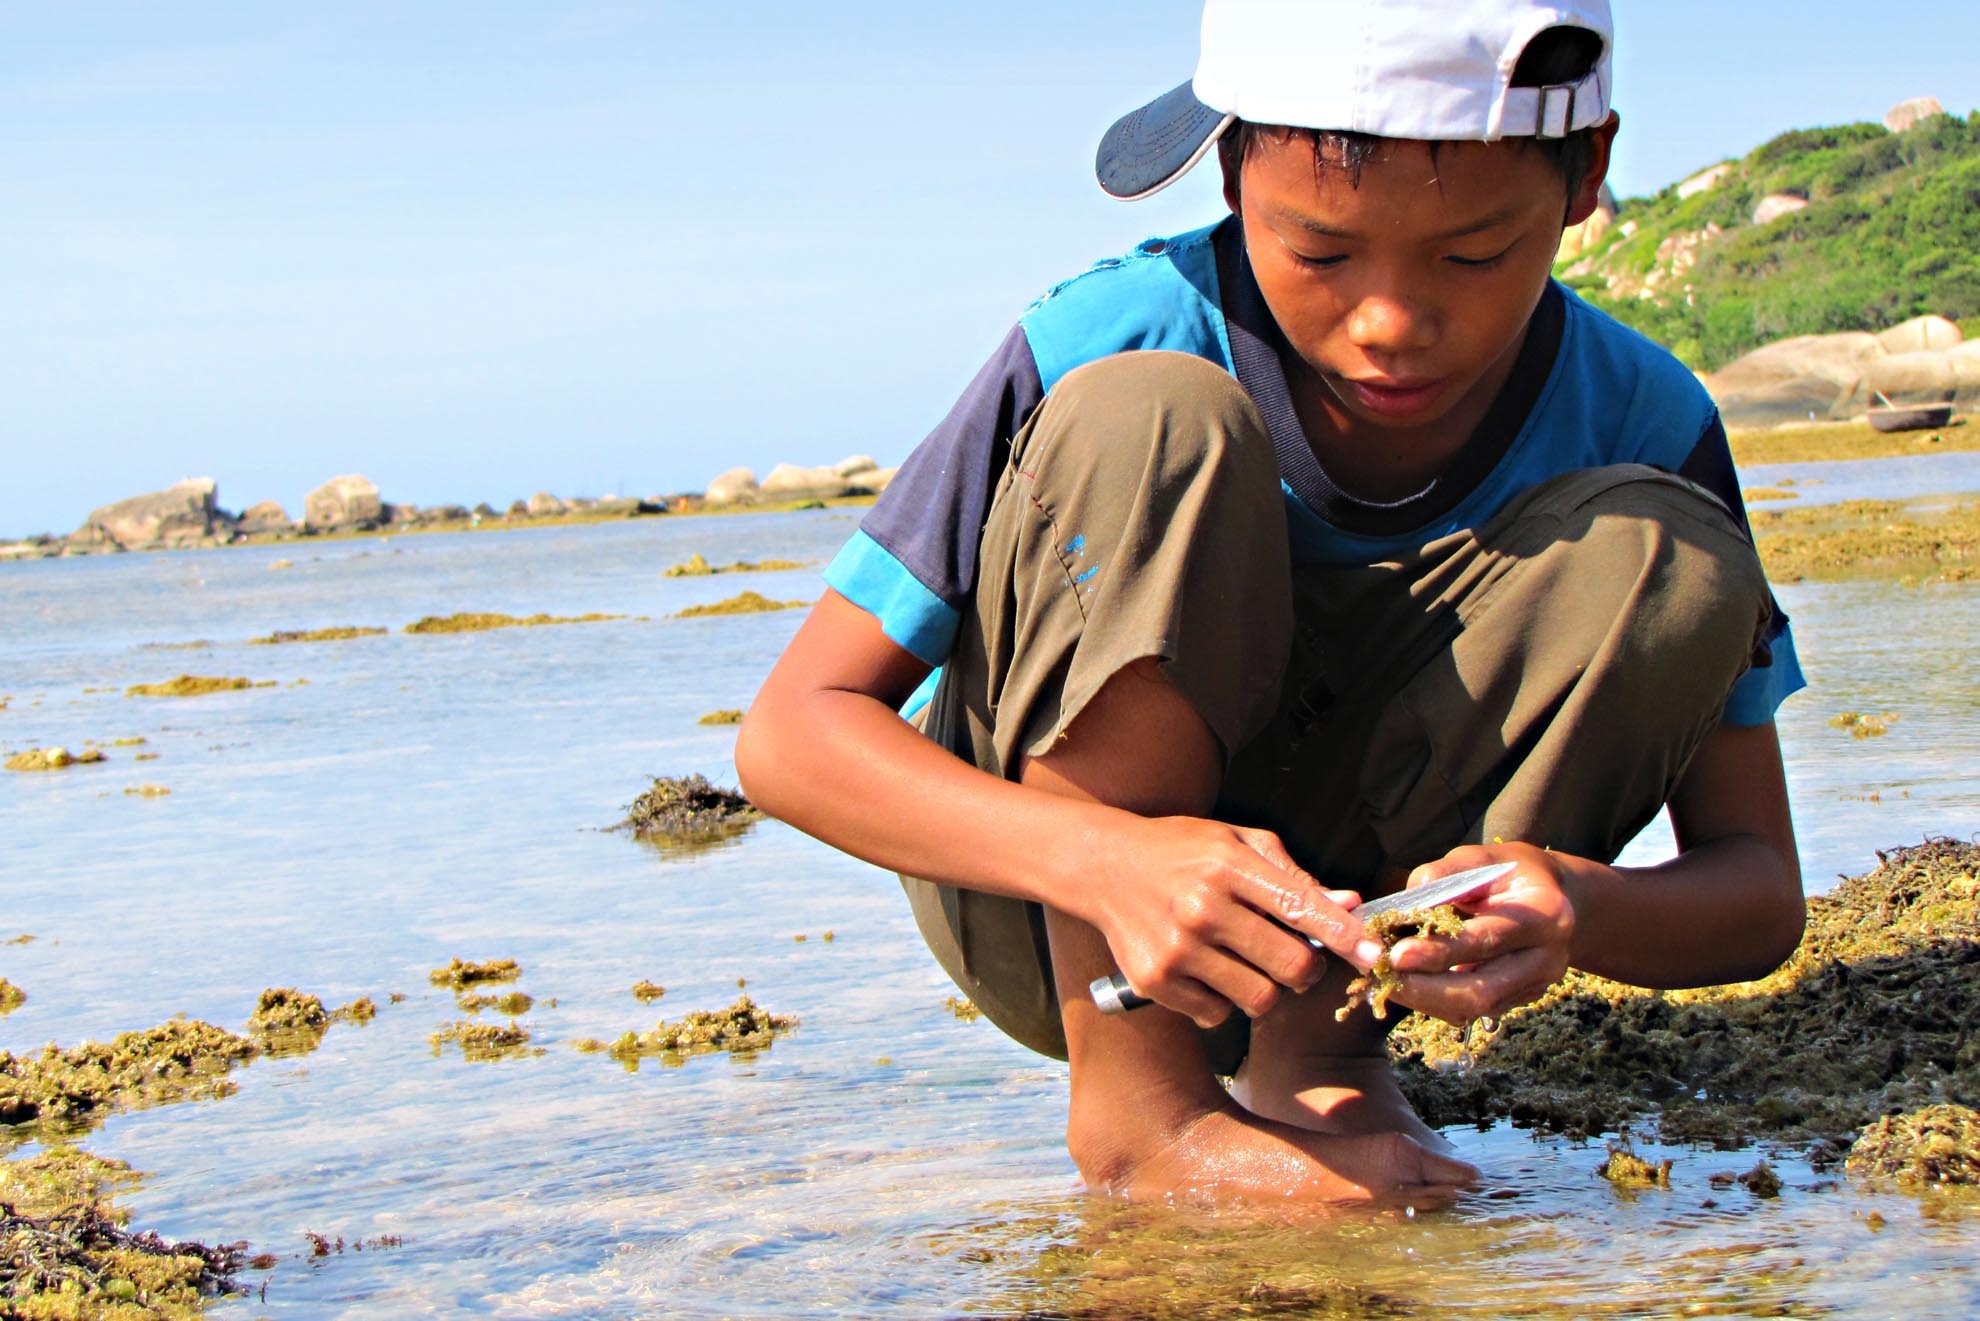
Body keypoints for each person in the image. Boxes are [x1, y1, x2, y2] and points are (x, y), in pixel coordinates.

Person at [737, 0, 1806, 1207]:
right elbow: (791, 736)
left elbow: (1759, 890)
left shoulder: (1645, 421)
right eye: (1320, 253)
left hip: (1363, 941)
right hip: (1054, 919)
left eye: (1473, 255)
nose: (1392, 324)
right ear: (1230, 168)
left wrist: (1580, 907)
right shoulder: (1108, 334)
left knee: (1666, 547)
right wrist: (1107, 859)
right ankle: (1143, 1110)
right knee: (1148, 421)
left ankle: (1325, 1059)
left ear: (1587, 171)